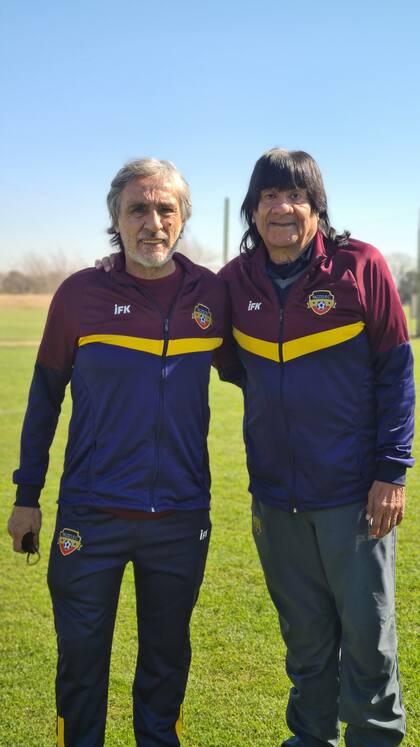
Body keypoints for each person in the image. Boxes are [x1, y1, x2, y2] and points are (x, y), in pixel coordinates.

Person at [8, 158, 227, 747]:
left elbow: (267, 376)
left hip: (180, 519)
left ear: (182, 220)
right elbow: (44, 398)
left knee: (164, 669)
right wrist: (26, 497)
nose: (152, 222)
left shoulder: (212, 294)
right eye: (138, 208)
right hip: (90, 517)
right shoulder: (80, 294)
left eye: (165, 209)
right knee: (80, 668)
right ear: (116, 218)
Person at [214, 148, 415, 747]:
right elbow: (232, 364)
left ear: (317, 209)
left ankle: (376, 737)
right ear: (252, 210)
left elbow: (396, 376)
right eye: (269, 197)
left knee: (367, 641)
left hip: (354, 496)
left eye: (295, 196)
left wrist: (392, 471)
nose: (282, 207)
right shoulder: (234, 282)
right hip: (276, 499)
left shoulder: (360, 267)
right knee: (304, 643)